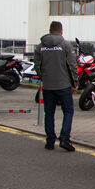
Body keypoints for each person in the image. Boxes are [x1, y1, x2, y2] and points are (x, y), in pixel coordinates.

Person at [34, 21, 77, 151]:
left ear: (50, 30)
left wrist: (43, 77)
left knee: (49, 112)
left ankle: (50, 141)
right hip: (64, 84)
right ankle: (64, 138)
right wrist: (74, 82)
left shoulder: (40, 46)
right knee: (68, 111)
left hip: (48, 85)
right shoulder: (66, 45)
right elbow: (72, 65)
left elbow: (37, 66)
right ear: (61, 31)